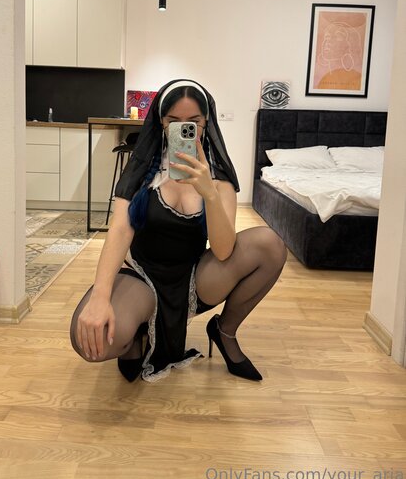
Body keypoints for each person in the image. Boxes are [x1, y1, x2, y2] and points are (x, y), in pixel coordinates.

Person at [70, 79, 287, 382]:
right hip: (142, 275)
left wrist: (209, 193)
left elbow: (223, 250)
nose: (185, 129)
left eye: (194, 122)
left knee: (270, 245)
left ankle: (224, 332)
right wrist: (100, 297)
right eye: (174, 122)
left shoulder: (219, 176)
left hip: (194, 278)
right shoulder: (142, 170)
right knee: (89, 343)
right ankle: (137, 335)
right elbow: (119, 232)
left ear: (206, 122)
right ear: (161, 122)